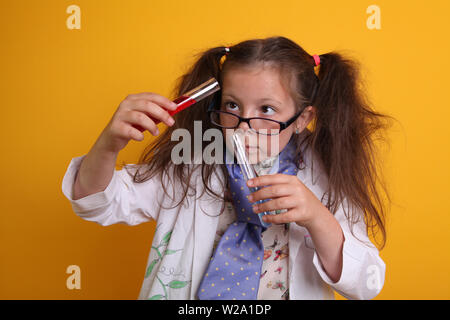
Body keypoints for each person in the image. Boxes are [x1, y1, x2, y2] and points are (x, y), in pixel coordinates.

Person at [61, 36, 392, 300]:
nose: (243, 127)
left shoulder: (327, 175)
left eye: (266, 108)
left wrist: (318, 217)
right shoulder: (191, 162)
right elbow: (95, 202)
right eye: (232, 105)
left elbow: (366, 285)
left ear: (303, 118)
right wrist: (108, 144)